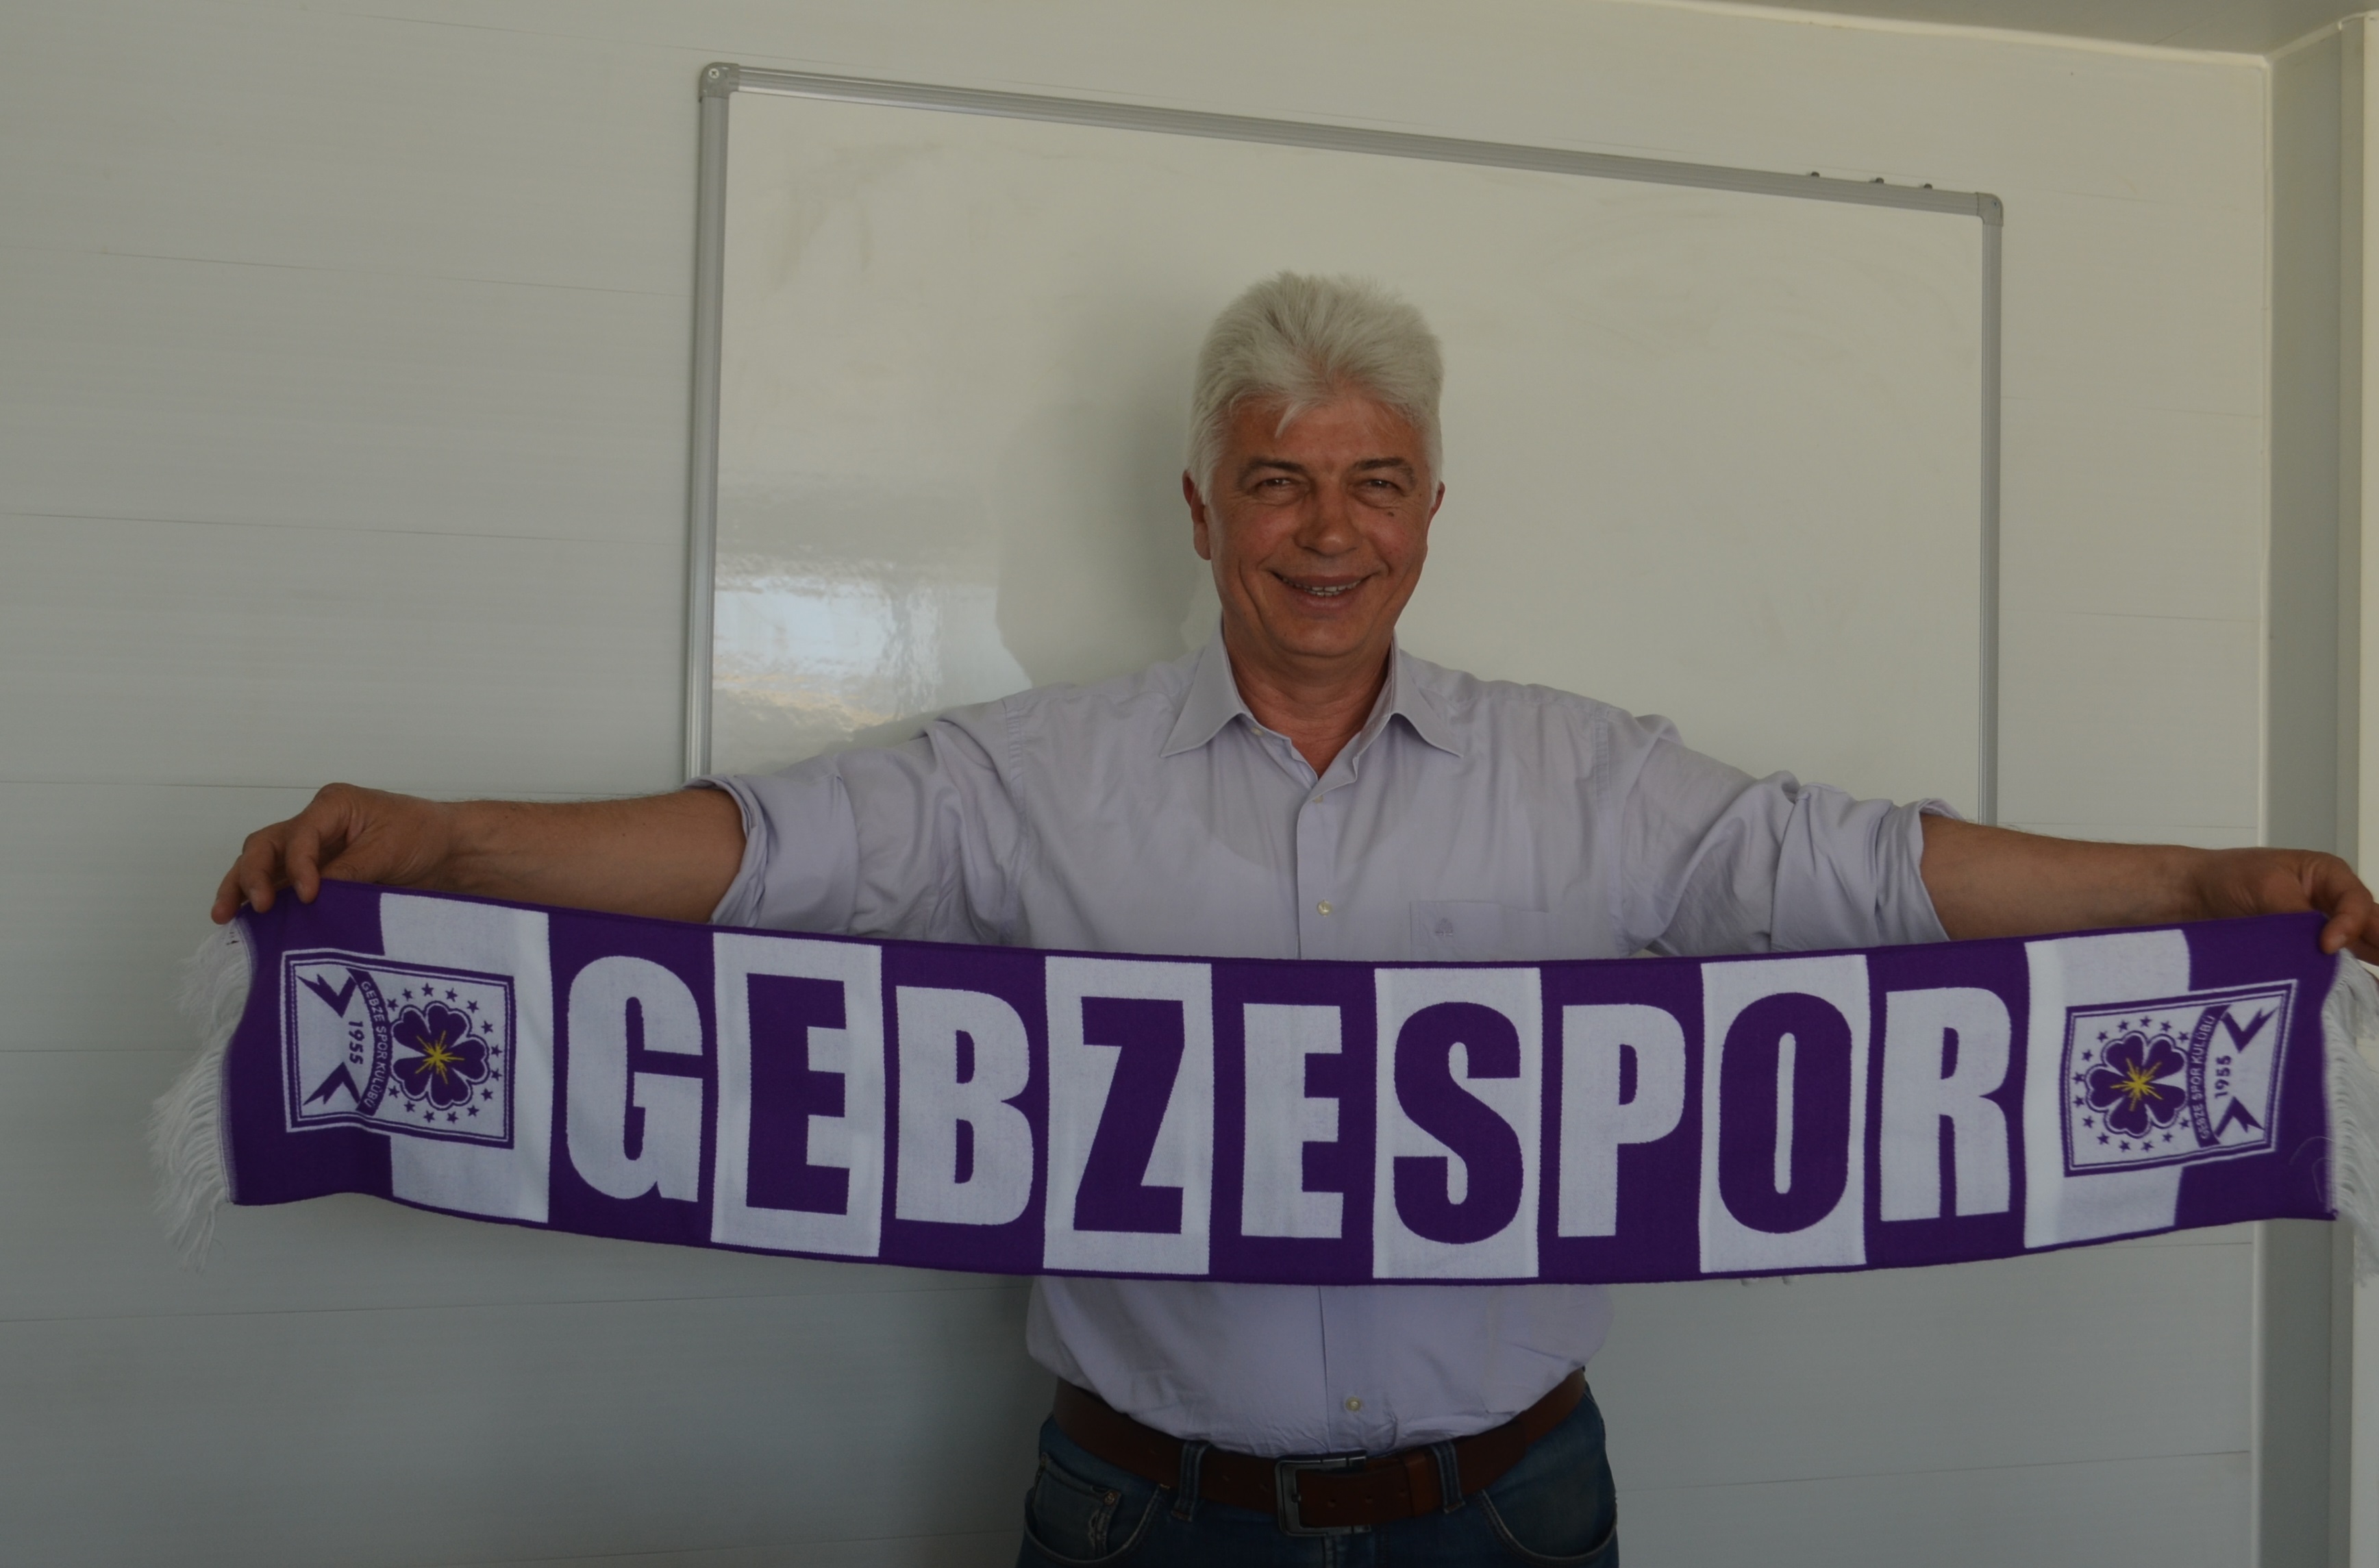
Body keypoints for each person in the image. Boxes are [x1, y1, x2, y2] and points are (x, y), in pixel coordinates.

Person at [215, 273, 2379, 1566]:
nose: (1324, 531)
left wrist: (2197, 886)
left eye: (1371, 481)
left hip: (1509, 1509)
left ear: (1429, 510)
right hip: (1137, 1511)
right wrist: (450, 844)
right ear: (1202, 506)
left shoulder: (1592, 774)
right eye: (1276, 477)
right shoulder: (1028, 775)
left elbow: (1870, 870)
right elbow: (751, 850)